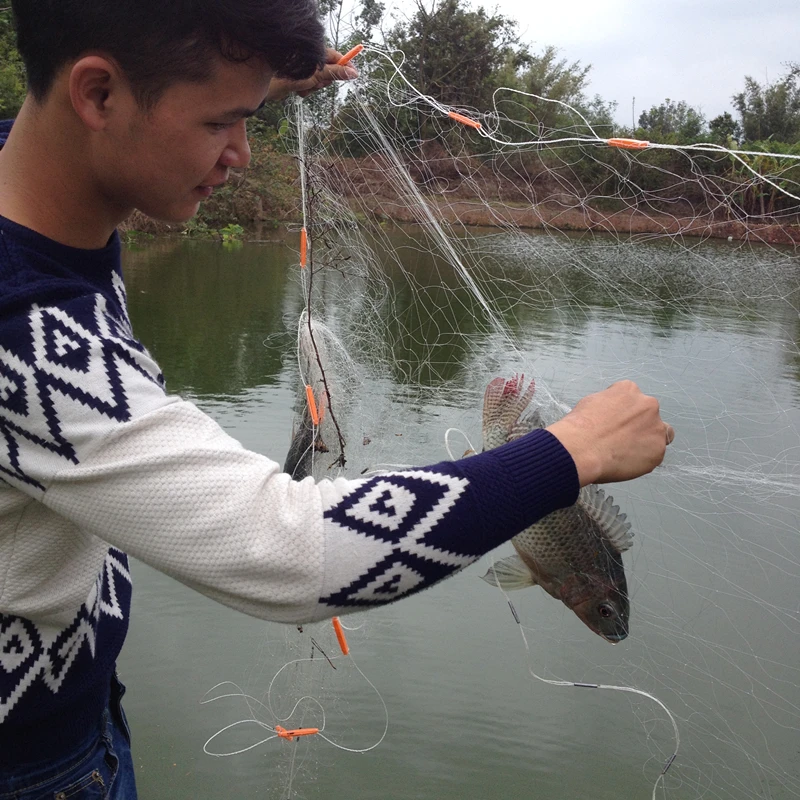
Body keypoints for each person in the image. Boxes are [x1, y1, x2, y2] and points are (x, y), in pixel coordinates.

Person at [0, 1, 674, 797]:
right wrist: (572, 452)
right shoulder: (23, 335)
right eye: (224, 121)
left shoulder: (33, 178)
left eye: (250, 117)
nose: (242, 155)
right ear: (99, 95)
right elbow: (292, 552)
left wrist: (260, 80)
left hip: (75, 717)